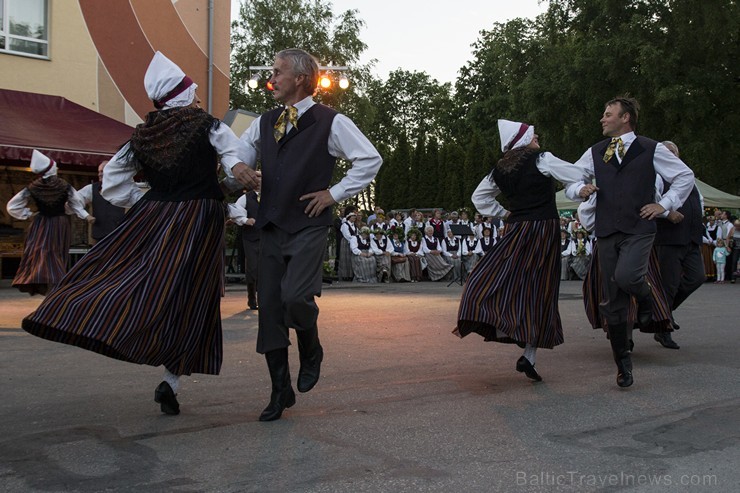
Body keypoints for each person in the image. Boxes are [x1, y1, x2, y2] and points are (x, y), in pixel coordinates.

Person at [21, 51, 249, 415]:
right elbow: (232, 153)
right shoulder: (209, 125)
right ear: (184, 94)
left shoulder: (141, 137)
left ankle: (77, 312)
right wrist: (233, 175)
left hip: (154, 216)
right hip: (199, 217)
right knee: (193, 298)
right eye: (193, 90)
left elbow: (111, 184)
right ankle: (171, 379)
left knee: (137, 280)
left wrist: (150, 198)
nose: (199, 98)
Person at [235, 48, 382, 421]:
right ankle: (279, 389)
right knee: (269, 308)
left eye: (278, 72)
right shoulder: (265, 122)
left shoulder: (330, 121)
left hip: (307, 225)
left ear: (300, 79)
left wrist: (334, 193)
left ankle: (311, 348)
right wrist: (237, 167)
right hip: (270, 225)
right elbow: (238, 153)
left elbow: (370, 159)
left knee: (296, 296)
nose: (272, 78)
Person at [568, 96, 694, 388]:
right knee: (614, 302)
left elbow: (684, 176)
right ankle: (623, 364)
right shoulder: (596, 151)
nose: (602, 118)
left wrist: (664, 204)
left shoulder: (651, 148)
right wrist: (580, 188)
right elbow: (571, 179)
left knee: (628, 275)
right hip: (607, 230)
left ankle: (647, 298)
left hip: (639, 227)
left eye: (608, 113)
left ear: (625, 118)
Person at [455, 119, 587, 382]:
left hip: (517, 231)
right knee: (540, 290)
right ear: (524, 141)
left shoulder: (499, 170)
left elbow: (479, 198)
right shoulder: (542, 159)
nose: (538, 140)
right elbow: (575, 174)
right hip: (543, 230)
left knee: (499, 278)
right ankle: (526, 348)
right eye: (534, 137)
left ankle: (522, 346)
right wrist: (582, 186)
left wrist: (504, 213)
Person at [7, 150, 91, 295]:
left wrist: (28, 214)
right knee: (54, 253)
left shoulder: (33, 186)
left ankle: (48, 285)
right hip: (59, 222)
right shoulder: (64, 185)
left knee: (42, 252)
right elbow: (76, 203)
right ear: (52, 168)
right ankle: (54, 285)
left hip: (41, 222)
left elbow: (12, 206)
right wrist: (83, 215)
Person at [652, 141, 706, 349]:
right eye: (667, 152)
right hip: (669, 238)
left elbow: (698, 201)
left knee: (697, 277)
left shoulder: (688, 177)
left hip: (691, 238)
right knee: (669, 284)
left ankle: (662, 314)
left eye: (674, 152)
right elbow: (652, 201)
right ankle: (662, 329)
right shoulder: (657, 176)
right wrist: (667, 213)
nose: (671, 155)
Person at [76, 159, 126, 244]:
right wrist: (86, 215)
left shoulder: (125, 189)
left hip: (119, 237)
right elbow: (74, 201)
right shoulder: (91, 189)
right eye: (99, 171)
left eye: (102, 171)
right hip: (99, 238)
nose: (99, 174)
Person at [236, 190, 260, 309]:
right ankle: (252, 298)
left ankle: (265, 299)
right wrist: (245, 220)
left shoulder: (273, 193)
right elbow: (236, 210)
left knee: (268, 269)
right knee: (252, 268)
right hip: (251, 237)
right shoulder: (246, 197)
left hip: (269, 237)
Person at [337, 207, 358, 281]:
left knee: (350, 258)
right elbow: (346, 235)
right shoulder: (345, 225)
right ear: (349, 217)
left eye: (355, 217)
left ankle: (350, 274)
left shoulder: (354, 225)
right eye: (353, 217)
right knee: (345, 258)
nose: (354, 218)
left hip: (352, 242)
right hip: (346, 242)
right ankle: (345, 275)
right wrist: (353, 239)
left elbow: (356, 233)